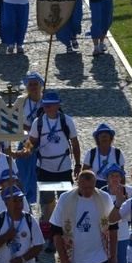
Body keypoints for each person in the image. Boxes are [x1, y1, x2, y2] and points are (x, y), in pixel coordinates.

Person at [23, 90, 81, 239]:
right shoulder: (39, 122)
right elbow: (32, 141)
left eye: (50, 105)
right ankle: (49, 234)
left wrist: (78, 164)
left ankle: (65, 233)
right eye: (45, 105)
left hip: (63, 168)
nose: (47, 108)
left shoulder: (66, 121)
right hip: (45, 169)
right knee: (47, 203)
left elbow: (75, 143)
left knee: (65, 202)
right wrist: (27, 149)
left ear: (57, 105)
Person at [15, 72, 44, 205]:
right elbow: (14, 119)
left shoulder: (45, 102)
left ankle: (35, 200)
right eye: (30, 84)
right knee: (23, 170)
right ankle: (22, 197)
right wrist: (30, 129)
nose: (33, 87)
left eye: (35, 84)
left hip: (42, 142)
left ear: (40, 86)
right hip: (27, 141)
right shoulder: (22, 101)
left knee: (37, 172)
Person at [83, 123, 126, 189]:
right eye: (101, 135)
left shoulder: (117, 153)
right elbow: (84, 174)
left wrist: (122, 191)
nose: (104, 137)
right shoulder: (91, 153)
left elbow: (122, 176)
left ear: (111, 138)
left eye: (106, 135)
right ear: (97, 139)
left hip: (113, 186)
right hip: (94, 186)